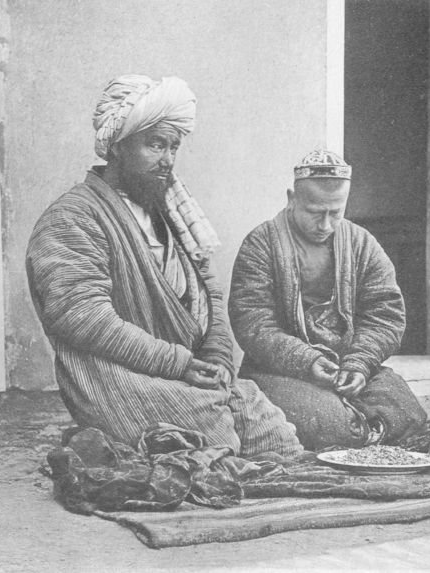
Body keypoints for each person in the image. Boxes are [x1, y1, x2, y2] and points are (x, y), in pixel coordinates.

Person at [26, 74, 302, 458]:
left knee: (276, 437)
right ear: (117, 146)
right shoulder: (71, 218)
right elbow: (82, 315)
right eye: (155, 144)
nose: (168, 160)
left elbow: (208, 293)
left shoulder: (172, 214)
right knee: (218, 440)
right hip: (117, 379)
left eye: (173, 146)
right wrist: (177, 363)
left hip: (183, 371)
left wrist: (218, 357)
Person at [228, 150, 428, 451]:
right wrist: (307, 361)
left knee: (408, 410)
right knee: (335, 426)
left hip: (347, 366)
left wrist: (360, 363)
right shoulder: (261, 244)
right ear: (291, 198)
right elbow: (253, 322)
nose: (325, 224)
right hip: (280, 370)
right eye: (315, 212)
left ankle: (363, 426)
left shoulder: (362, 244)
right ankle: (362, 430)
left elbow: (385, 314)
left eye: (336, 213)